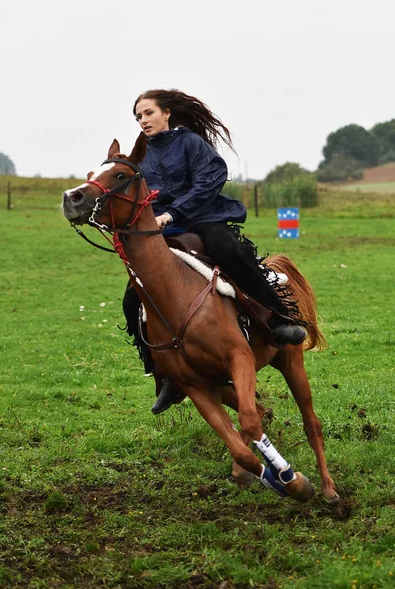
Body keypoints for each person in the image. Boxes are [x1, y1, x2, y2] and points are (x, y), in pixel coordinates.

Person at [123, 89, 307, 414]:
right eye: (138, 116)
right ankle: (164, 371)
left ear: (166, 113)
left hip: (201, 218)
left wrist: (174, 212)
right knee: (131, 296)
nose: (143, 120)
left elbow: (210, 179)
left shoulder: (190, 142)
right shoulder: (140, 154)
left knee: (230, 249)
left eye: (148, 113)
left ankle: (276, 319)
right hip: (162, 230)